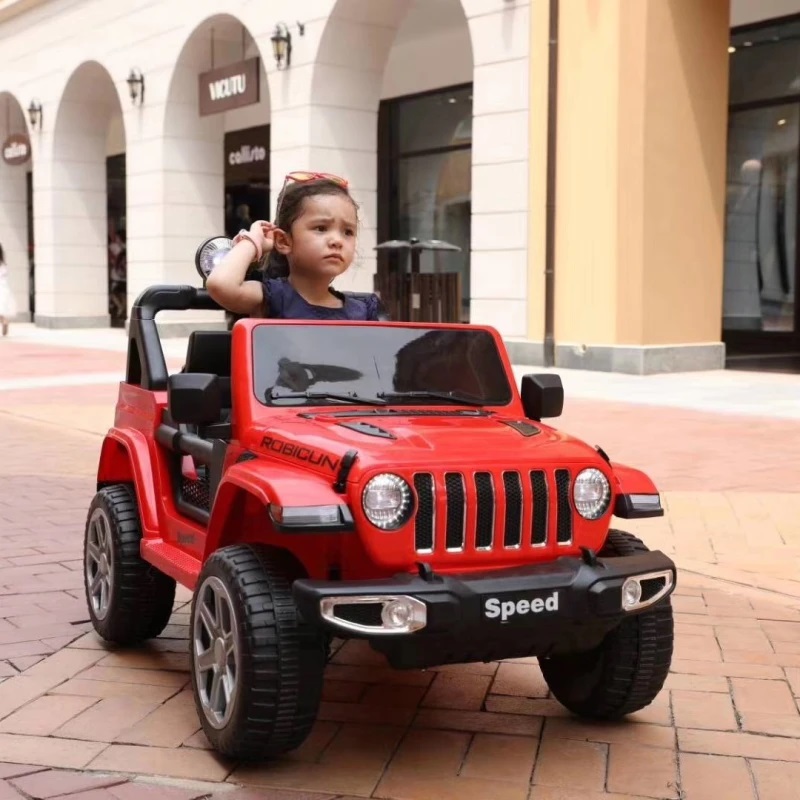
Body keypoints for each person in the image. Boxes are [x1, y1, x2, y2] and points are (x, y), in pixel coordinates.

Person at [206, 172, 385, 321]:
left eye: (348, 232)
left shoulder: (364, 311)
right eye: (321, 228)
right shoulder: (273, 297)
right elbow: (220, 285)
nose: (337, 241)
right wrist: (253, 241)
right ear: (284, 241)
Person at [0, 243, 17, 337]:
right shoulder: (3, 264)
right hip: (4, 288)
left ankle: (4, 321)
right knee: (1, 310)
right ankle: (4, 321)